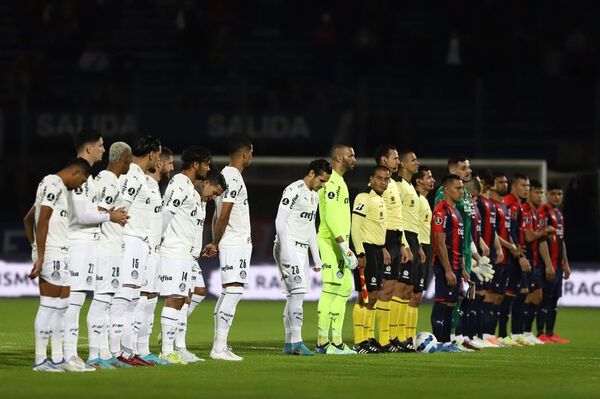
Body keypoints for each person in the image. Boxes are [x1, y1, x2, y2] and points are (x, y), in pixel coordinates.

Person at [64, 129, 128, 370]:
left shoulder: (90, 179)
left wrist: (105, 216)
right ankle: (68, 355)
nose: (104, 149)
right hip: (78, 244)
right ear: (89, 148)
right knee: (73, 302)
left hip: (89, 244)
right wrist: (109, 216)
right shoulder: (77, 174)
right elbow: (81, 215)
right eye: (100, 145)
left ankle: (72, 355)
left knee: (78, 300)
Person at [24, 158, 92, 371]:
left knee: (61, 308)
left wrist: (35, 246)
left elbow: (28, 219)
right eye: (82, 181)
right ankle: (40, 360)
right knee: (49, 306)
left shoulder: (57, 187)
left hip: (61, 253)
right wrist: (41, 254)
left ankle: (57, 359)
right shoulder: (52, 182)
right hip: (52, 253)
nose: (80, 186)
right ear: (76, 173)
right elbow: (42, 219)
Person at [110, 135, 162, 366]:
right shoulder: (132, 176)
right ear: (151, 154)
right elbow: (121, 209)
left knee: (132, 299)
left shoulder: (141, 177)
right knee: (123, 298)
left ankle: (128, 352)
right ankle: (113, 352)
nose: (159, 161)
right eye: (158, 155)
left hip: (139, 242)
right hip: (129, 240)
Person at [158, 145, 211, 364]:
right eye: (206, 164)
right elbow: (167, 212)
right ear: (195, 164)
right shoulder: (180, 183)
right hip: (174, 250)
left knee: (184, 298)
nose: (208, 169)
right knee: (175, 299)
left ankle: (178, 348)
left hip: (185, 253)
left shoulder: (189, 187)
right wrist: (155, 241)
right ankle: (166, 350)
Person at [203, 134, 253, 361]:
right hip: (235, 241)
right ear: (245, 153)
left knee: (228, 292)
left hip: (230, 241)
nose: (251, 156)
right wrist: (215, 241)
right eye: (251, 152)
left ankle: (220, 344)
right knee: (234, 290)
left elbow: (216, 214)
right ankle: (219, 347)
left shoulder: (225, 175)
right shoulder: (233, 176)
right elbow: (224, 214)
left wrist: (216, 241)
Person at [274, 159, 332, 356]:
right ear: (311, 174)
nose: (322, 185)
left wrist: (316, 258)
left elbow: (310, 230)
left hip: (301, 249)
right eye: (321, 181)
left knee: (294, 295)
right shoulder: (293, 190)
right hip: (288, 246)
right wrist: (284, 250)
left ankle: (290, 344)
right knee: (297, 293)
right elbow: (280, 220)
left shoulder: (314, 196)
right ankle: (297, 342)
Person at [86, 142, 132, 369]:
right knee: (101, 301)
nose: (130, 163)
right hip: (105, 248)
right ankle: (94, 355)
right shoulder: (107, 180)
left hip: (112, 248)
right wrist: (111, 216)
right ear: (123, 158)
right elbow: (98, 212)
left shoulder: (109, 180)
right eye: (129, 158)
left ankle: (104, 353)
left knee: (107, 302)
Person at [177, 170, 226, 359]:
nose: (214, 198)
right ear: (206, 183)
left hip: (192, 254)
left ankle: (172, 329)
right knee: (184, 297)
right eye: (214, 192)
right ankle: (179, 346)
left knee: (199, 291)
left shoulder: (202, 202)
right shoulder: (187, 195)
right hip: (180, 252)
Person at [133, 147, 174, 365]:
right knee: (140, 300)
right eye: (168, 162)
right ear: (158, 163)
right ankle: (131, 349)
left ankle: (143, 349)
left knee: (150, 300)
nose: (171, 167)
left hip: (153, 250)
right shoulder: (144, 185)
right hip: (144, 250)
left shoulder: (154, 188)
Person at [315, 144, 358, 355]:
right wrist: (343, 246)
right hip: (330, 242)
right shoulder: (331, 180)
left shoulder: (340, 181)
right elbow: (330, 216)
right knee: (331, 288)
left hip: (341, 244)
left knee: (344, 289)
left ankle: (337, 342)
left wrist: (347, 246)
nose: (355, 159)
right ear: (339, 157)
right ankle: (323, 343)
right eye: (351, 155)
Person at [370, 145, 408, 353]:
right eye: (395, 158)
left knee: (391, 289)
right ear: (384, 160)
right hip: (383, 238)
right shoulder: (379, 186)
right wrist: (383, 245)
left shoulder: (393, 184)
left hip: (395, 238)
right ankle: (381, 339)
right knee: (382, 290)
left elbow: (396, 216)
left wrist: (401, 243)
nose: (398, 162)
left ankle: (388, 338)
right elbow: (378, 217)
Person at [351, 165, 391, 353]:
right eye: (380, 178)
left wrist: (382, 249)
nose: (383, 182)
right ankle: (360, 342)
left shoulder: (380, 199)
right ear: (371, 178)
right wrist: (360, 253)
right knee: (364, 295)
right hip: (365, 249)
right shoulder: (364, 197)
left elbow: (377, 227)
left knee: (374, 296)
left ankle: (368, 338)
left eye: (386, 179)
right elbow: (355, 227)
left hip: (376, 250)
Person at [430, 175, 466, 352]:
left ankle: (445, 341)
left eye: (462, 188)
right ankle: (438, 342)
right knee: (443, 302)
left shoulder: (456, 211)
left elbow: (458, 241)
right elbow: (440, 241)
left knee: (451, 304)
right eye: (457, 188)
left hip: (456, 266)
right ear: (446, 190)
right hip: (446, 266)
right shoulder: (441, 211)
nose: (461, 191)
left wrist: (463, 267)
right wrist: (448, 270)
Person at [488, 171, 520, 346]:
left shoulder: (503, 206)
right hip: (495, 256)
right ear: (493, 185)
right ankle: (487, 334)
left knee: (500, 298)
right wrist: (508, 246)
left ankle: (498, 335)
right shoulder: (492, 205)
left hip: (505, 258)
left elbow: (507, 232)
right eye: (501, 182)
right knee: (490, 296)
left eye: (505, 182)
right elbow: (492, 232)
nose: (504, 185)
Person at [521, 179, 555, 345]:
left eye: (541, 193)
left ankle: (526, 332)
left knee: (536, 296)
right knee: (526, 297)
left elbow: (541, 241)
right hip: (524, 259)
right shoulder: (526, 211)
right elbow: (528, 236)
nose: (539, 196)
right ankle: (518, 332)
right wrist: (543, 231)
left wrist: (548, 263)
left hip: (535, 262)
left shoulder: (539, 213)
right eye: (536, 192)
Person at [537, 182, 571, 343]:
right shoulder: (543, 211)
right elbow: (541, 240)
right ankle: (540, 332)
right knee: (544, 298)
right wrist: (548, 263)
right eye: (554, 193)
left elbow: (561, 241)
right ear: (548, 195)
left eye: (560, 194)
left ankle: (550, 333)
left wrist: (566, 263)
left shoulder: (559, 214)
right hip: (547, 265)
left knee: (554, 299)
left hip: (558, 265)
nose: (557, 197)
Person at [395, 150, 421, 351]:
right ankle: (394, 335)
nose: (417, 162)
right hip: (404, 237)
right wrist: (404, 243)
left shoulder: (411, 187)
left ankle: (403, 336)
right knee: (399, 289)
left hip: (413, 238)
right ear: (402, 165)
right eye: (412, 160)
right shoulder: (398, 186)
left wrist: (418, 245)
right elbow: (399, 218)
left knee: (407, 290)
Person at [503, 174, 533, 346]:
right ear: (514, 187)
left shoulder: (518, 205)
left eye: (527, 185)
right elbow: (508, 231)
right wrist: (518, 253)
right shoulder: (510, 203)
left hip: (516, 254)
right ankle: (501, 335)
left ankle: (515, 333)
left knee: (519, 294)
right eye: (523, 185)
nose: (526, 189)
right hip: (510, 256)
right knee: (506, 296)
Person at [411, 166, 435, 343]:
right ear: (419, 181)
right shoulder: (417, 200)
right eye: (428, 177)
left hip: (425, 247)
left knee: (417, 295)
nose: (432, 180)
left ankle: (409, 335)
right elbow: (414, 226)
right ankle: (403, 335)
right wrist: (418, 247)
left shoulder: (425, 201)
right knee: (412, 293)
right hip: (418, 247)